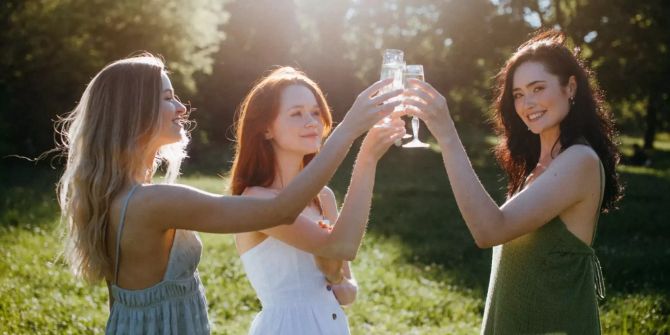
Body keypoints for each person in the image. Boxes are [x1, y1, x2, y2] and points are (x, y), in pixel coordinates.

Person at [56, 55, 402, 334]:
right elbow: (281, 210)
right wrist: (352, 130)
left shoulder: (128, 196)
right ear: (132, 112)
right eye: (167, 98)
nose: (181, 107)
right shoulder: (152, 201)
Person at [405, 30, 623, 334]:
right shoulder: (541, 164)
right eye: (518, 94)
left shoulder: (579, 161)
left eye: (537, 88)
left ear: (570, 87)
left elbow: (489, 230)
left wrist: (447, 133)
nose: (527, 103)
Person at [230, 67, 405, 335]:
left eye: (314, 112)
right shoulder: (255, 200)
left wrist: (334, 274)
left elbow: (347, 294)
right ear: (266, 129)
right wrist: (367, 157)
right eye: (296, 113)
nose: (311, 121)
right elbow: (343, 245)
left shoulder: (324, 198)